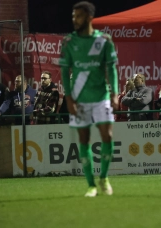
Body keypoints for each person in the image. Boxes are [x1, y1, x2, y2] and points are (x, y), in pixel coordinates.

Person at [59, 1, 118, 197]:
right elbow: (64, 70)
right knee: (84, 140)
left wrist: (115, 93)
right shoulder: (68, 42)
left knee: (107, 136)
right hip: (79, 98)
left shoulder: (104, 40)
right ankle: (91, 185)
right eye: (73, 16)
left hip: (101, 97)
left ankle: (104, 177)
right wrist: (68, 98)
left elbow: (111, 69)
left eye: (79, 16)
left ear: (90, 17)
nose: (75, 20)